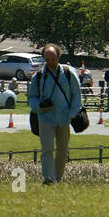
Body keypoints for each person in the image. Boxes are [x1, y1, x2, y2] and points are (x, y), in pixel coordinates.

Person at [27, 43, 82, 185]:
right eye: (47, 59)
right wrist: (38, 107)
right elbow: (32, 97)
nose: (50, 62)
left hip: (65, 118)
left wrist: (71, 114)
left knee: (63, 151)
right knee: (47, 149)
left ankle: (57, 177)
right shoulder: (38, 76)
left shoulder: (69, 73)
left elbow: (77, 95)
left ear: (58, 57)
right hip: (45, 118)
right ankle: (49, 179)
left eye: (53, 59)